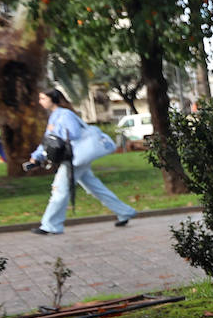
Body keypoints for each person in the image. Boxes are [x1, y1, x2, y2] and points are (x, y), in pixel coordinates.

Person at [25, 88, 137, 235]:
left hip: (74, 159)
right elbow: (48, 140)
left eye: (43, 98)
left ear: (53, 99)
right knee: (95, 187)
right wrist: (36, 156)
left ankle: (51, 225)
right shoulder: (55, 116)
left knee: (59, 190)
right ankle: (125, 211)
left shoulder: (64, 115)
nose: (40, 102)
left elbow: (73, 133)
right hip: (76, 158)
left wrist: (55, 133)